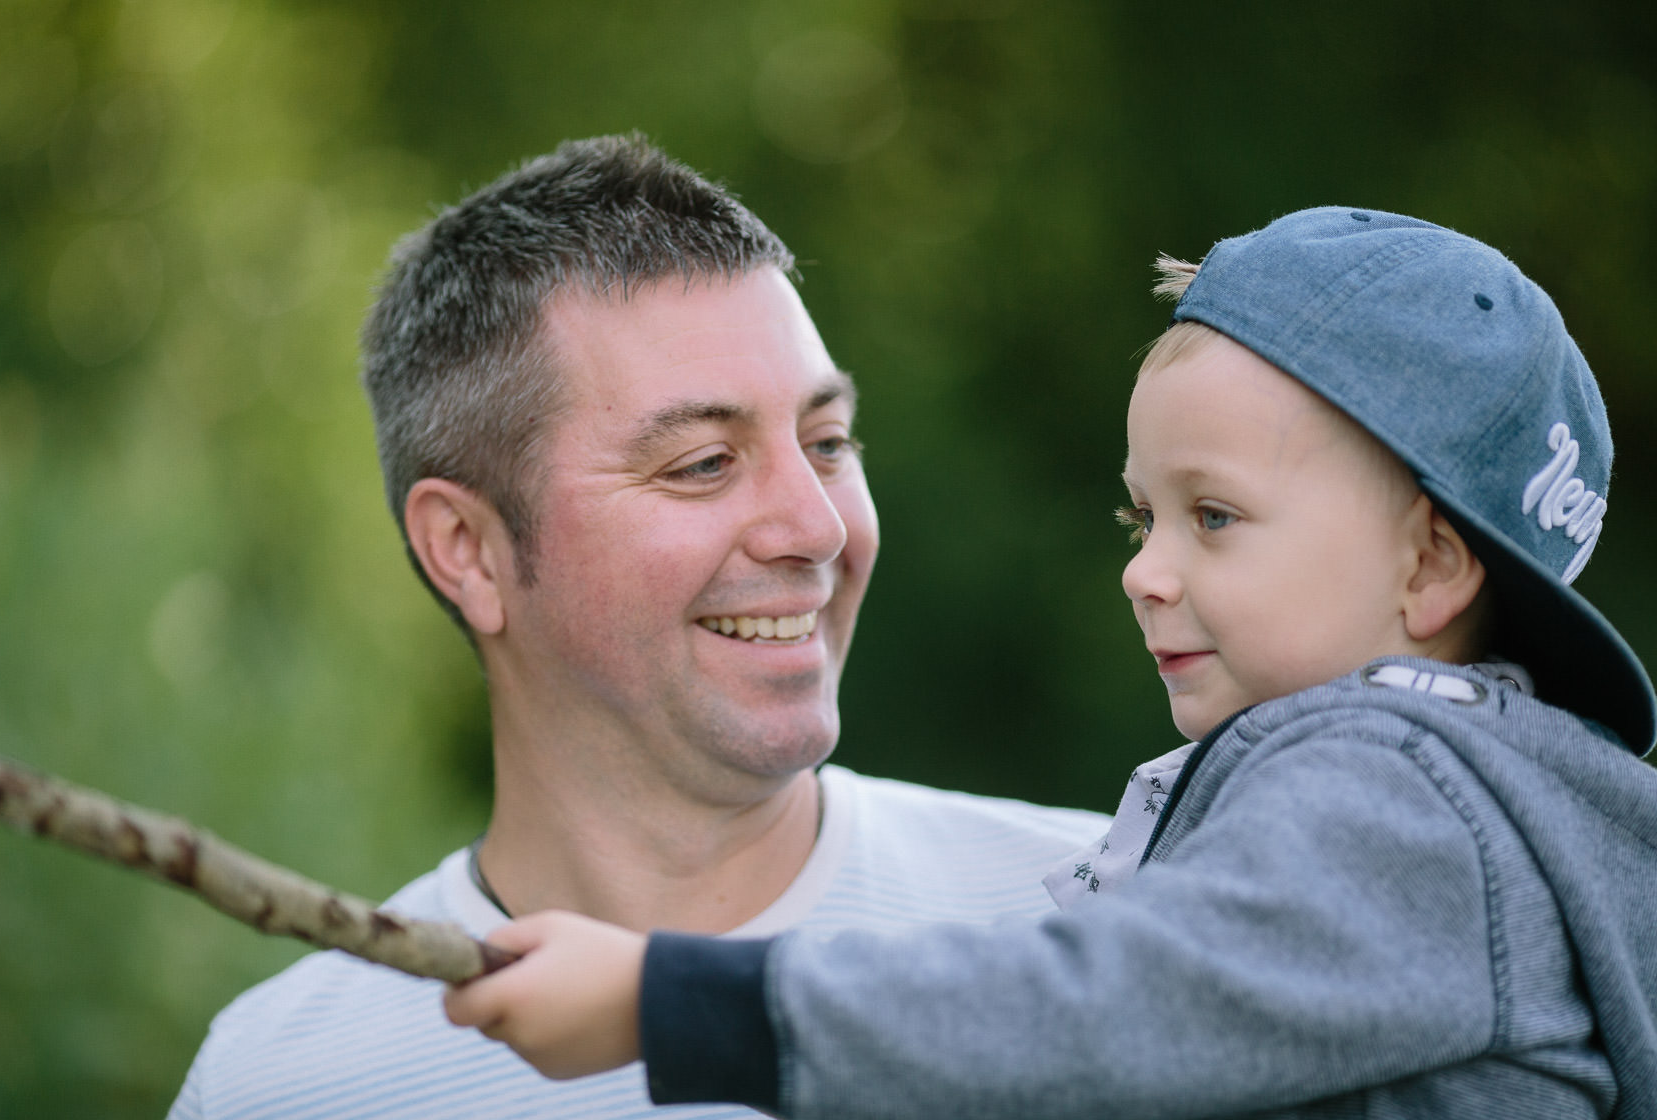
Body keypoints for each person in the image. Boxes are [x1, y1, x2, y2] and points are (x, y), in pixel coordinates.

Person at [442, 207, 1657, 1119]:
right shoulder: (1466, 800)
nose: (1145, 572)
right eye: (1143, 519)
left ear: (1431, 567)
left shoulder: (1406, 801)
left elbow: (1121, 1008)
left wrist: (673, 1002)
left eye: (1215, 516)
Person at [167, 134, 1109, 1119]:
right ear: (469, 551)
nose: (819, 527)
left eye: (828, 442)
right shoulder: (276, 1086)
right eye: (703, 463)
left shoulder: (1112, 923)